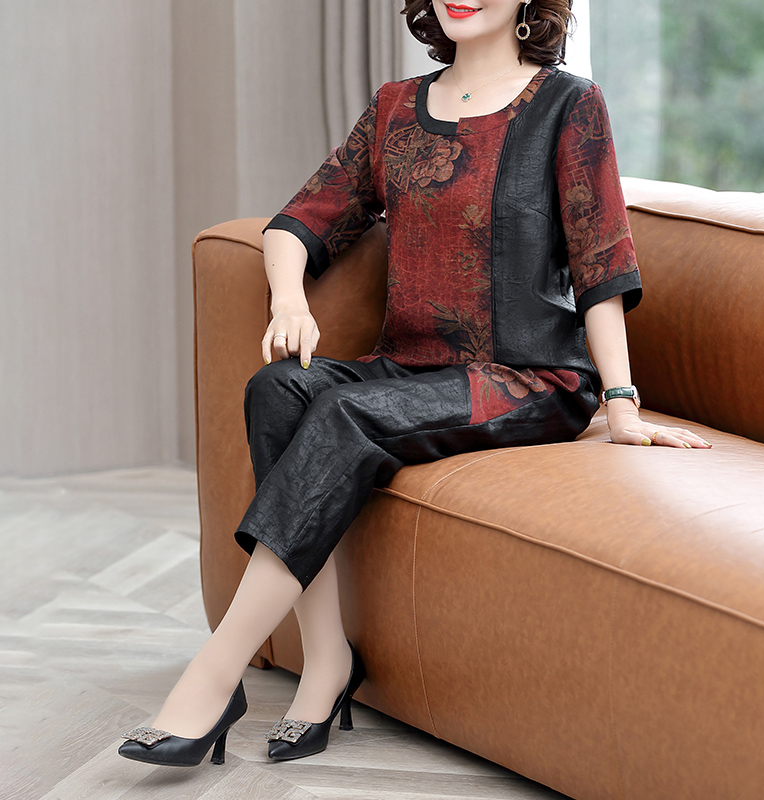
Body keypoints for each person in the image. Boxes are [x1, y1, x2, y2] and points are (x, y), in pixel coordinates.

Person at [118, 0, 711, 768]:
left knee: (346, 414)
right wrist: (290, 300)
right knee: (278, 390)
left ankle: (215, 673)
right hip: (409, 366)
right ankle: (327, 661)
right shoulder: (396, 107)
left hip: (526, 376)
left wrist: (621, 404)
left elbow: (602, 265)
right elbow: (299, 220)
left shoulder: (569, 103)